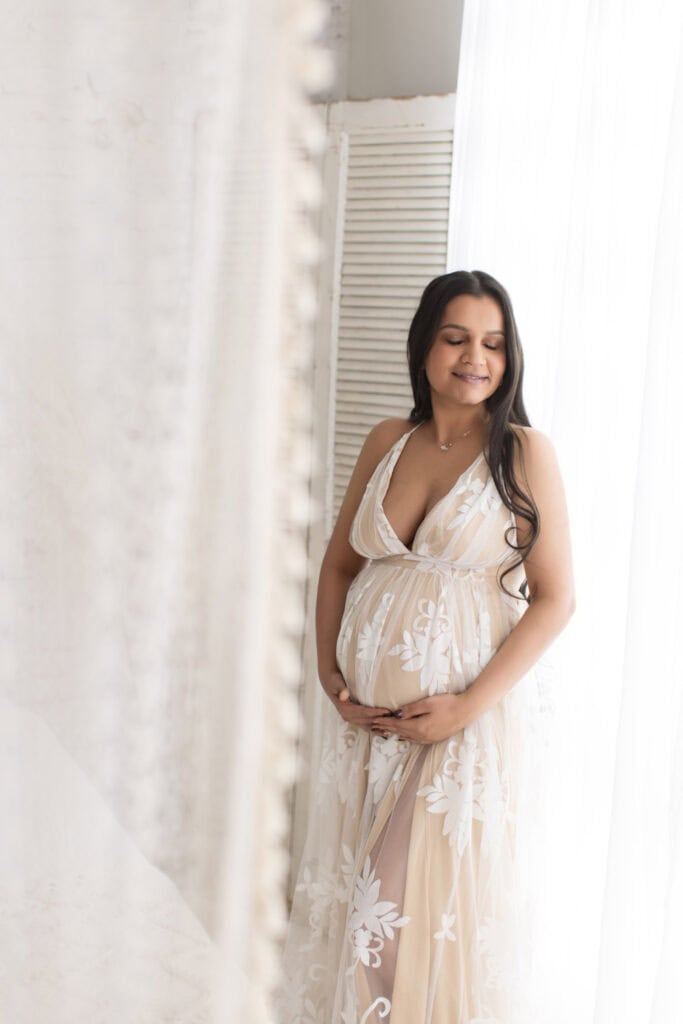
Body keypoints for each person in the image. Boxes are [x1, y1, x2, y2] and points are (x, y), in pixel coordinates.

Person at [275, 270, 575, 1023]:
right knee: (359, 918)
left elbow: (555, 598)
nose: (475, 357)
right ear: (424, 346)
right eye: (456, 338)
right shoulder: (388, 439)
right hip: (368, 726)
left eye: (494, 344)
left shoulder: (523, 452)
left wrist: (465, 708)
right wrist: (327, 671)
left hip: (457, 728)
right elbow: (341, 563)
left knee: (400, 930)